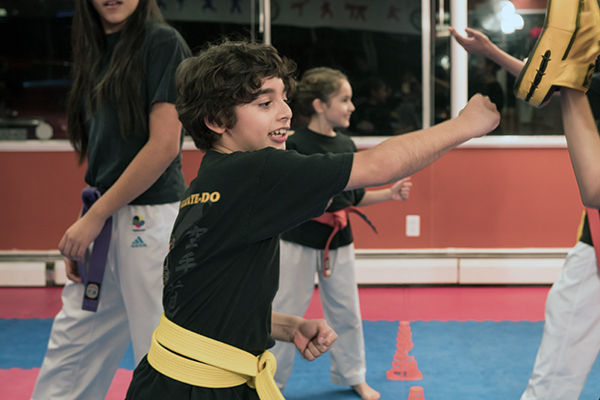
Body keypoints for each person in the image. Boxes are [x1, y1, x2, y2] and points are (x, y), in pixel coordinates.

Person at [124, 38, 499, 400]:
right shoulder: (256, 171)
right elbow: (380, 165)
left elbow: (208, 302)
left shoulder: (208, 182)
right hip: (199, 386)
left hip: (170, 375)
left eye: (284, 98)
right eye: (265, 103)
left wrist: (288, 327)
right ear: (217, 120)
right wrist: (466, 125)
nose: (285, 111)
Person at [31, 1, 190, 399]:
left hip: (150, 219)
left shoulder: (162, 43)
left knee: (158, 345)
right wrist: (86, 222)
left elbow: (164, 145)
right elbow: (107, 157)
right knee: (74, 341)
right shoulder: (96, 48)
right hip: (104, 214)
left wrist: (94, 217)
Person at [449, 0, 600, 396]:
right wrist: (491, 52)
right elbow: (550, 86)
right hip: (594, 238)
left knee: (560, 360)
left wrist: (573, 67)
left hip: (597, 246)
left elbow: (594, 189)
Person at [271, 67, 411, 400]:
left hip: (339, 240)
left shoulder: (346, 143)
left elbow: (353, 196)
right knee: (286, 311)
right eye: (344, 100)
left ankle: (354, 375)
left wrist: (389, 194)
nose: (352, 107)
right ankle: (271, 383)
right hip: (298, 240)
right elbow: (283, 196)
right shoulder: (295, 143)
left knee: (347, 312)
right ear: (320, 105)